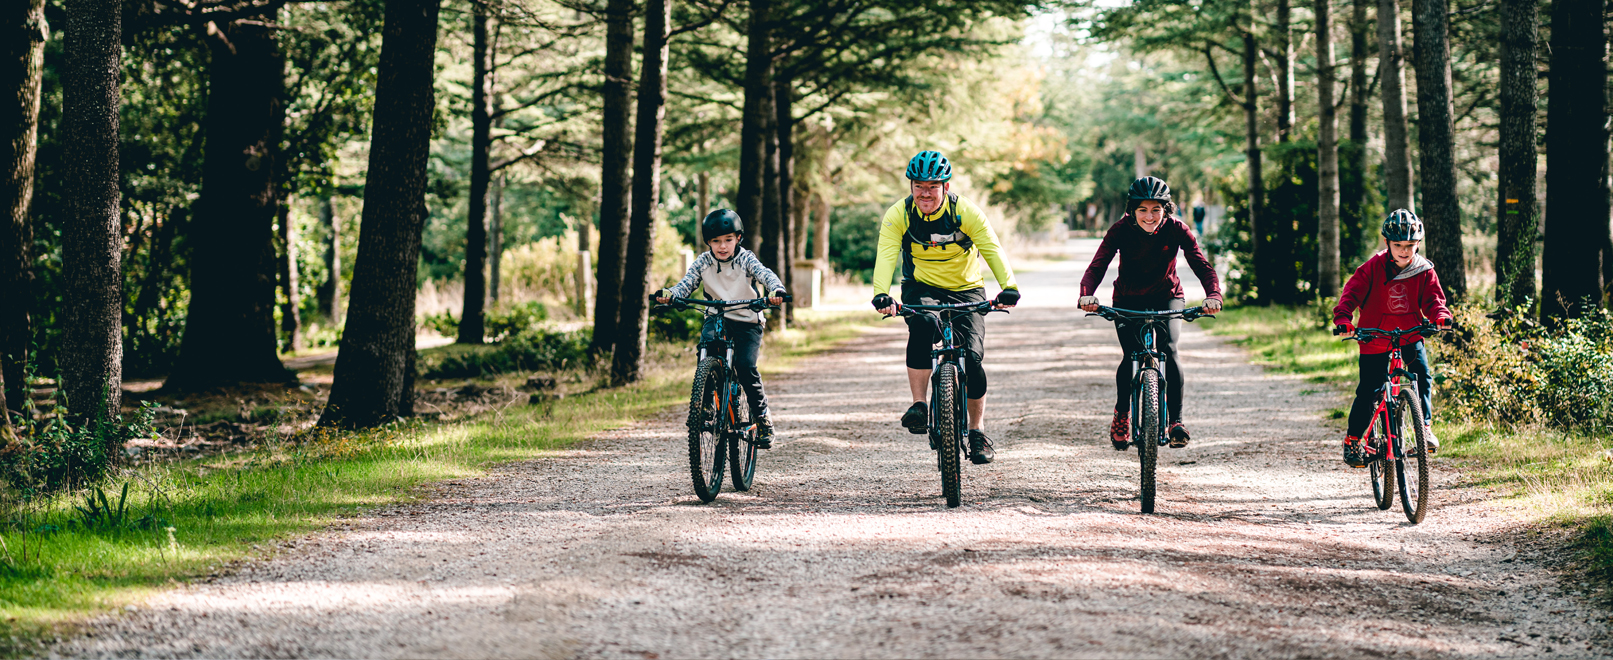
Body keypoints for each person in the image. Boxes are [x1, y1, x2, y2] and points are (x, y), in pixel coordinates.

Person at [871, 150, 1020, 464]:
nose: (925, 193)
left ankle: (977, 431)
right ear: (911, 187)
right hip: (921, 286)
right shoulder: (900, 214)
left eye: (932, 187)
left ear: (946, 187)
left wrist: (1009, 286)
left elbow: (991, 247)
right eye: (919, 186)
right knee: (924, 324)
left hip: (966, 289)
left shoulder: (966, 212)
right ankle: (919, 405)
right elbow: (886, 254)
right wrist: (881, 293)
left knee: (974, 358)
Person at [1079, 176, 1224, 451]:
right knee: (1130, 355)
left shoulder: (1177, 229)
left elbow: (1201, 265)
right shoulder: (1120, 230)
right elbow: (1097, 265)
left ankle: (1176, 422)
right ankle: (1122, 414)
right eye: (1143, 209)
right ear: (1132, 210)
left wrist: (1213, 294)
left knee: (1169, 349)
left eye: (1156, 209)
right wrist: (1087, 293)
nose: (1150, 216)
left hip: (1167, 296)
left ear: (1166, 209)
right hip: (1127, 299)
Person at [1331, 209, 1453, 467]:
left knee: (1422, 374)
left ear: (1418, 244)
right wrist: (1344, 320)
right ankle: (1353, 440)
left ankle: (1425, 428)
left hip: (1410, 334)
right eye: (1398, 245)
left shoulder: (1424, 270)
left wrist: (1440, 315)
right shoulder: (1370, 269)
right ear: (1387, 243)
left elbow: (1433, 300)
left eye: (1410, 245)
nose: (1404, 251)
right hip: (1374, 337)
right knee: (1369, 391)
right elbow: (1349, 297)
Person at [657, 209, 788, 448]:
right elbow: (686, 284)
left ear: (738, 238)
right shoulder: (704, 262)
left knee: (745, 366)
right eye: (716, 241)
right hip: (717, 316)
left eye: (728, 239)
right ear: (708, 242)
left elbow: (765, 274)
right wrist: (671, 295)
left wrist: (776, 291)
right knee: (706, 347)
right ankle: (704, 405)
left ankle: (762, 418)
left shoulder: (746, 259)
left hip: (747, 320)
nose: (722, 246)